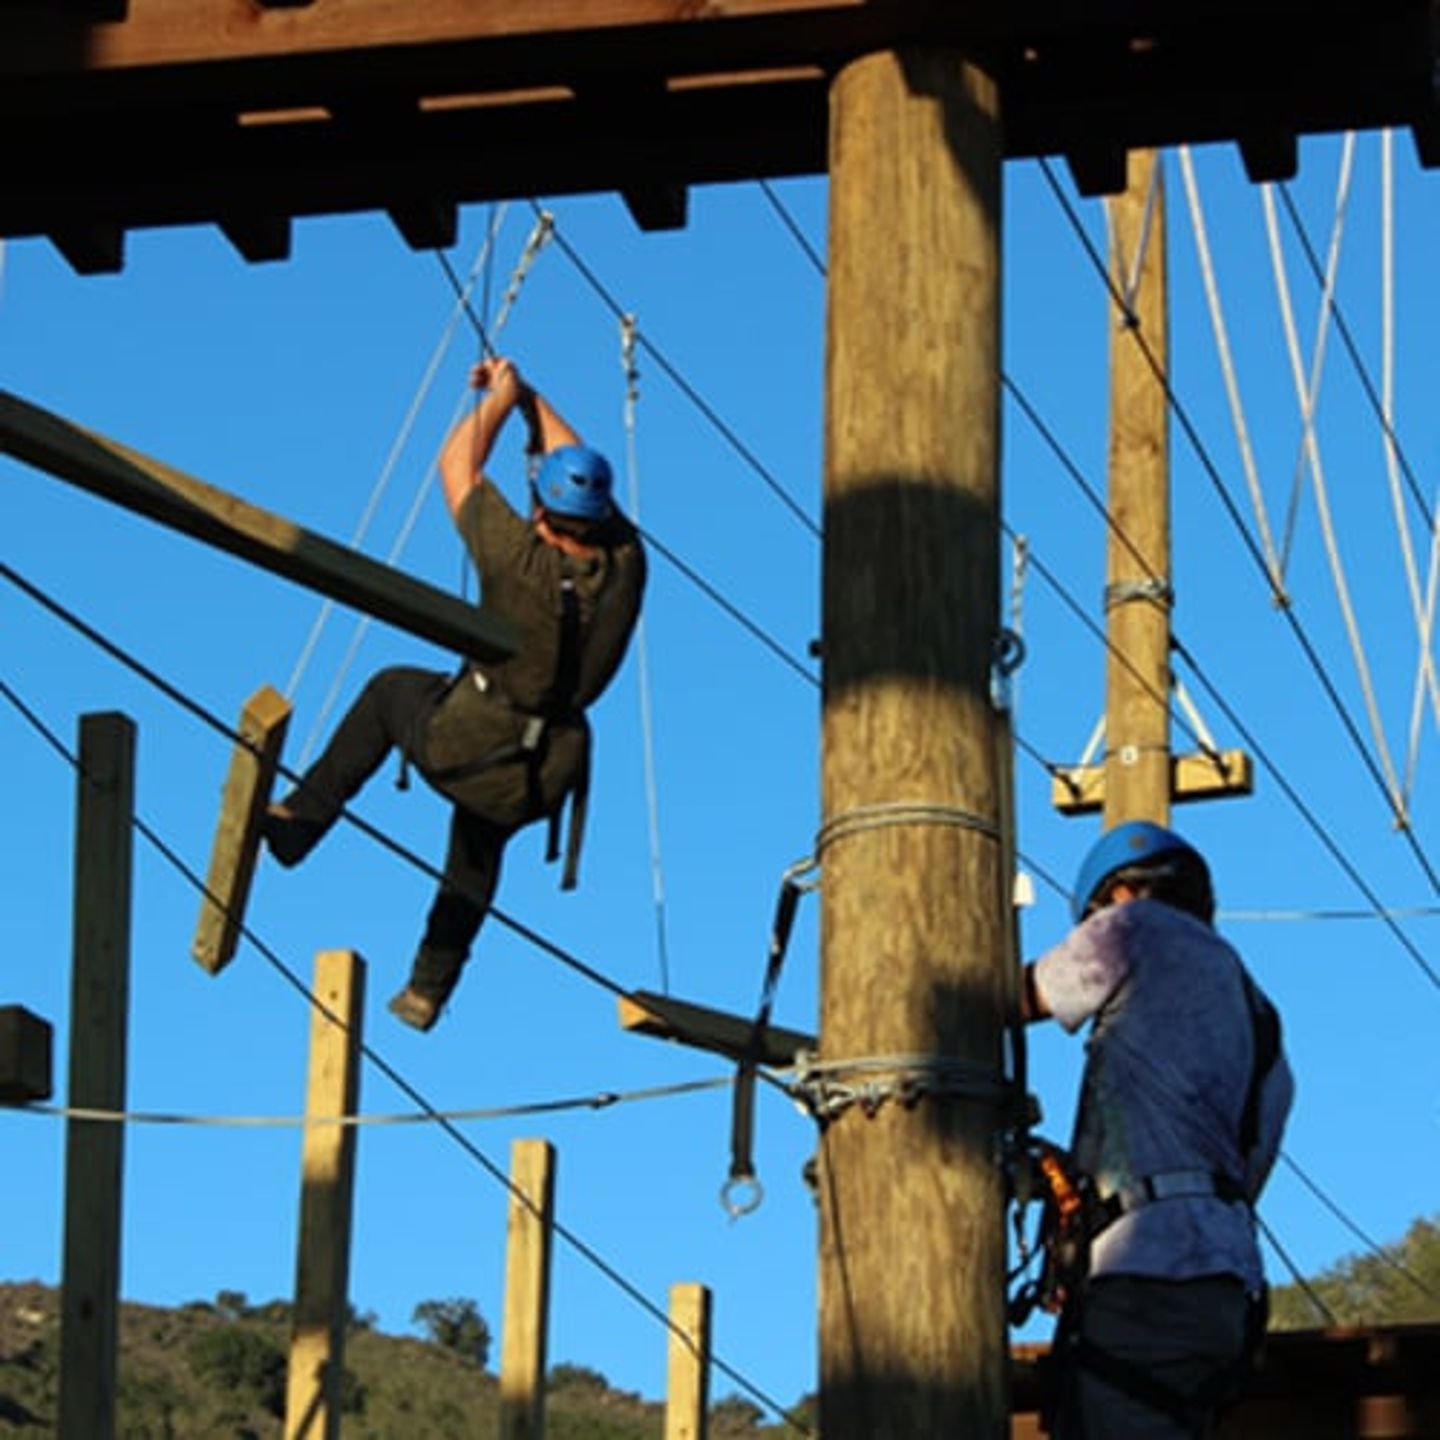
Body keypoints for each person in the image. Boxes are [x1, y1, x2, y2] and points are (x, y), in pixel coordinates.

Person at [263, 356, 647, 1031]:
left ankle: (300, 823)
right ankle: (427, 989)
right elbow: (576, 463)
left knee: (389, 693)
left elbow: (457, 464)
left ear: (540, 512)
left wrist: (501, 399)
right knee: (477, 850)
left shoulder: (517, 558)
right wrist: (530, 395)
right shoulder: (625, 564)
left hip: (469, 741)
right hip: (541, 771)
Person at [1020, 819, 1294, 1439]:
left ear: (1112, 897)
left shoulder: (1131, 928)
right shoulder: (1259, 1016)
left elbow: (1016, 997)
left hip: (1144, 1276)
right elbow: (1243, 1168)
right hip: (1226, 1291)